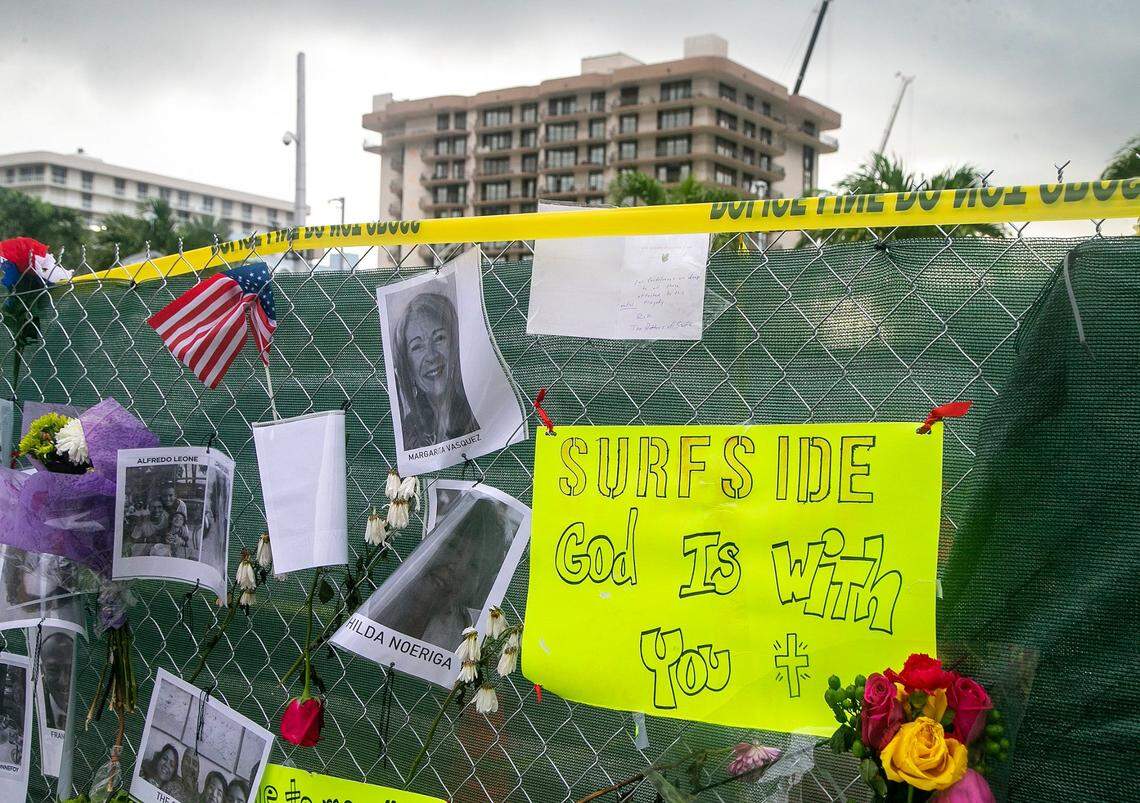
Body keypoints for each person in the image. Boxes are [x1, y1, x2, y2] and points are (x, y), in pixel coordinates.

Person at [393, 291, 479, 449]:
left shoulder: (478, 413)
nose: (431, 356)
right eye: (417, 346)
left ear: (455, 345)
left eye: (439, 338)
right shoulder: (407, 432)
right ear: (408, 366)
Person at [40, 632, 72, 730]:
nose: (64, 681)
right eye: (53, 670)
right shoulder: (32, 709)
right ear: (42, 671)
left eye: (71, 670)